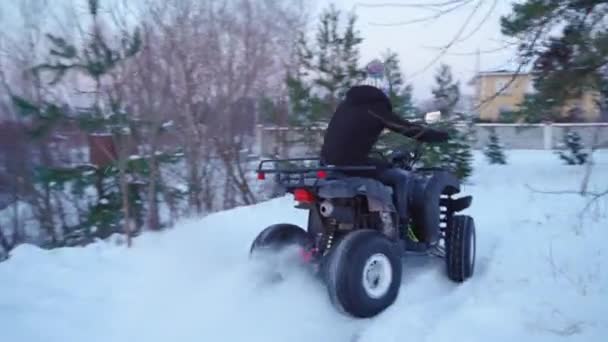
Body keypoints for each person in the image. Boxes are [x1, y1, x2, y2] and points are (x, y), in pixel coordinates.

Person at [320, 84, 449, 231]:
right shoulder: (375, 108)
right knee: (402, 177)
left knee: (381, 166)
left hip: (328, 163)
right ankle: (402, 224)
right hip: (353, 164)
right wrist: (437, 136)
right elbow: (406, 128)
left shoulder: (345, 107)